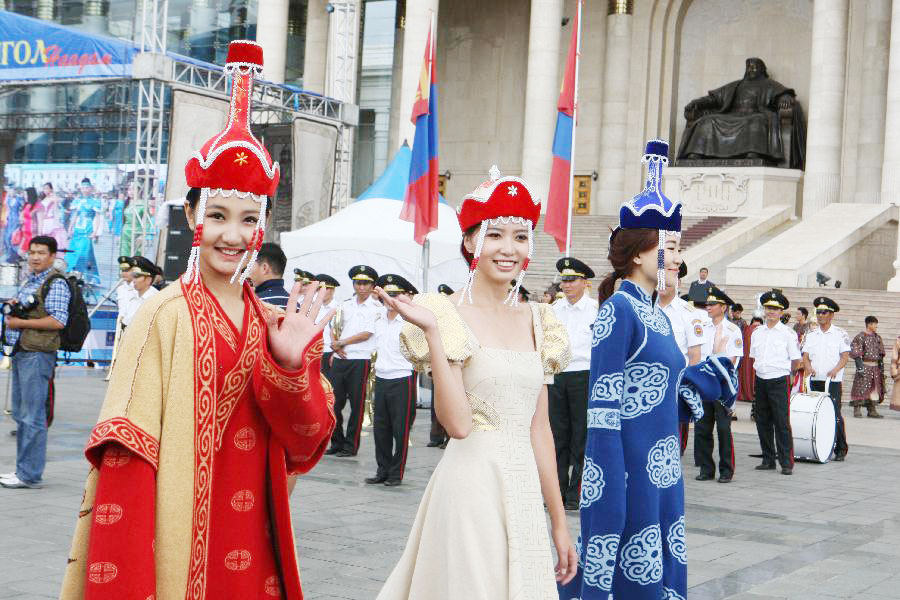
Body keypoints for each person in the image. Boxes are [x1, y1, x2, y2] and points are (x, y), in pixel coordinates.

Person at [60, 40, 336, 599]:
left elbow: (307, 443)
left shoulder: (271, 321)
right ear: (192, 214)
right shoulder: (161, 314)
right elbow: (125, 454)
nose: (233, 235)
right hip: (174, 542)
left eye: (249, 219)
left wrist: (292, 366)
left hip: (254, 540)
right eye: (217, 215)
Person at [377, 166, 577, 599]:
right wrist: (433, 332)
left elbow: (539, 429)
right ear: (470, 241)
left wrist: (559, 523)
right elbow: (458, 425)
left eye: (520, 237)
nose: (508, 249)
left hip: (523, 487)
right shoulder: (442, 314)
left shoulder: (541, 321)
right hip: (470, 485)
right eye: (495, 234)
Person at [561, 139, 737, 600]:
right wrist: (606, 489)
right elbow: (602, 412)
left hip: (661, 466)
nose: (679, 258)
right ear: (640, 253)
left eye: (679, 248)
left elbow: (657, 392)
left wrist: (703, 379)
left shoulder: (657, 312)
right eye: (672, 247)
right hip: (629, 471)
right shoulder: (618, 310)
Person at [0, 235, 71, 490]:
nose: (35, 257)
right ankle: (23, 470)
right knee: (21, 414)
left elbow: (58, 320)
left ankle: (29, 475)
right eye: (31, 252)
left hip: (37, 354)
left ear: (52, 256)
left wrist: (20, 323)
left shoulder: (56, 283)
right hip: (23, 351)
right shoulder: (32, 280)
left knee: (32, 417)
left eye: (41, 252)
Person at [549, 256, 598, 511]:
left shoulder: (597, 309)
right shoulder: (554, 311)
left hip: (584, 375)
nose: (566, 285)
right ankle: (556, 491)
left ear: (585, 283)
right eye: (564, 281)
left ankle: (575, 492)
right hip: (557, 375)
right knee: (557, 436)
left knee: (582, 436)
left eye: (571, 280)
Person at [366, 274, 418, 487]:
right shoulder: (378, 317)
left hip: (402, 378)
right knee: (381, 429)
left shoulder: (409, 321)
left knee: (400, 429)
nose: (388, 298)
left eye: (394, 294)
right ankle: (382, 470)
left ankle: (396, 473)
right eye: (386, 294)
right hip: (382, 377)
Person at [327, 264, 380, 457]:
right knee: (333, 402)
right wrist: (335, 343)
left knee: (357, 404)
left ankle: (350, 445)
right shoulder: (345, 305)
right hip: (341, 358)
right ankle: (336, 441)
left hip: (361, 358)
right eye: (358, 283)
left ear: (372, 285)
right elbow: (334, 326)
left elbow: (366, 334)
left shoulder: (376, 308)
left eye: (366, 283)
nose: (362, 287)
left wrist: (341, 343)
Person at [694, 287, 743, 483]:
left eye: (713, 304)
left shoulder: (733, 330)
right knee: (702, 428)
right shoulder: (702, 327)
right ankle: (706, 469)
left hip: (722, 385)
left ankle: (726, 470)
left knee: (723, 429)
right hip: (704, 384)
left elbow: (734, 359)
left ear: (723, 307)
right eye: (708, 304)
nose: (708, 307)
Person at [750, 290, 801, 475]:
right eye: (768, 308)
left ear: (781, 312)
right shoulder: (757, 332)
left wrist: (788, 375)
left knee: (781, 422)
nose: (771, 312)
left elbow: (796, 360)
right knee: (762, 420)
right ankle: (768, 459)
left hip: (779, 380)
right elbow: (754, 357)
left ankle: (786, 462)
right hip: (761, 379)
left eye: (775, 309)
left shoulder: (788, 333)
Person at [659, 261, 705, 456]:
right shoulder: (645, 307)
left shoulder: (689, 314)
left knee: (673, 441)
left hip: (676, 385)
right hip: (649, 383)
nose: (663, 284)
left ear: (679, 282)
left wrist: (688, 387)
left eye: (669, 279)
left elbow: (695, 355)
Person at [801, 296, 849, 461]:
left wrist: (836, 369)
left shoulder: (840, 334)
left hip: (832, 381)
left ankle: (841, 448)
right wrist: (807, 366)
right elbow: (805, 355)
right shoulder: (811, 334)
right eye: (819, 312)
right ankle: (821, 445)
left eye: (824, 312)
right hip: (815, 380)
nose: (821, 315)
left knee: (834, 414)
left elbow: (845, 356)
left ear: (832, 315)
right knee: (817, 414)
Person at [426, 284, 454, 448]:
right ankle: (436, 436)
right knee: (436, 403)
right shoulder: (434, 318)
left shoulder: (456, 319)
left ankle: (450, 437)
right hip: (436, 364)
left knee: (449, 402)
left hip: (451, 365)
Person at [66, 178, 102, 286]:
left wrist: (95, 232)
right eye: (83, 187)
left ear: (91, 188)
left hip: (87, 229)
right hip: (77, 230)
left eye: (87, 187)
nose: (85, 190)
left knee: (83, 253)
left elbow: (97, 217)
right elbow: (75, 215)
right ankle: (78, 276)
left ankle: (80, 276)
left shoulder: (95, 202)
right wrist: (70, 228)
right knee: (74, 252)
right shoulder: (77, 201)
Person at [849, 316, 886, 418]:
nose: (876, 326)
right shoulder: (860, 337)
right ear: (869, 324)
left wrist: (881, 367)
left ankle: (872, 410)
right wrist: (860, 367)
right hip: (864, 365)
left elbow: (881, 353)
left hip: (875, 367)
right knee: (860, 387)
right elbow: (856, 353)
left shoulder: (877, 338)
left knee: (874, 389)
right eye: (875, 324)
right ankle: (857, 409)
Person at [118, 257, 160, 328]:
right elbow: (125, 320)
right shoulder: (132, 295)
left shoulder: (156, 299)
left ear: (148, 280)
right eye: (133, 276)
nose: (134, 280)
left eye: (137, 276)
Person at [248, 242, 290, 308]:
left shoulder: (253, 304)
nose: (248, 272)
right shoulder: (296, 305)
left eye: (250, 266)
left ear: (264, 268)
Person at [316, 273, 340, 382]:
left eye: (326, 289)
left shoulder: (339, 308)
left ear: (333, 290)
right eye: (320, 288)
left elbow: (341, 332)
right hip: (313, 351)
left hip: (329, 351)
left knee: (328, 386)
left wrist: (335, 352)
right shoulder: (313, 307)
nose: (322, 292)